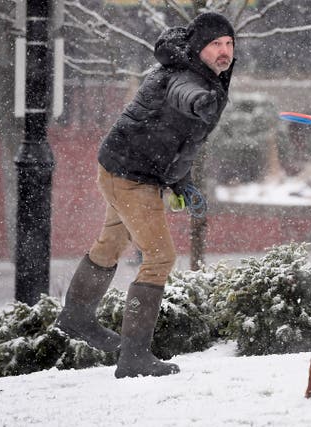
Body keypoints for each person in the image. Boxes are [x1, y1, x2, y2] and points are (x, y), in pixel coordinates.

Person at [54, 12, 236, 378]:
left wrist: (180, 181)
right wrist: (201, 101)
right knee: (159, 256)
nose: (224, 51)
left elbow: (184, 141)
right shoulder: (184, 79)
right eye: (216, 44)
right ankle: (134, 355)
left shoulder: (199, 72)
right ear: (199, 48)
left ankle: (75, 316)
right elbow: (183, 94)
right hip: (133, 177)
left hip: (120, 167)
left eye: (230, 44)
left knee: (111, 241)